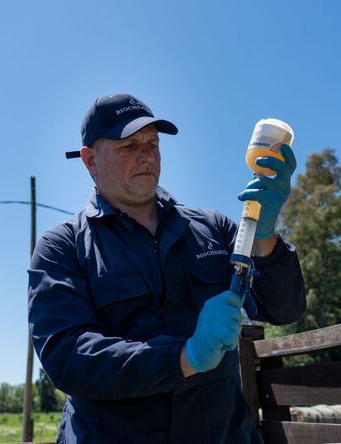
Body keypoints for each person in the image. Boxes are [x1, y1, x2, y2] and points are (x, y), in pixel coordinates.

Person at [28, 93, 306, 444]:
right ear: (90, 160)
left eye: (152, 144)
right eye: (128, 146)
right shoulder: (62, 246)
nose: (146, 155)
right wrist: (184, 357)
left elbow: (284, 309)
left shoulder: (213, 229)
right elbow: (69, 357)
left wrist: (264, 238)